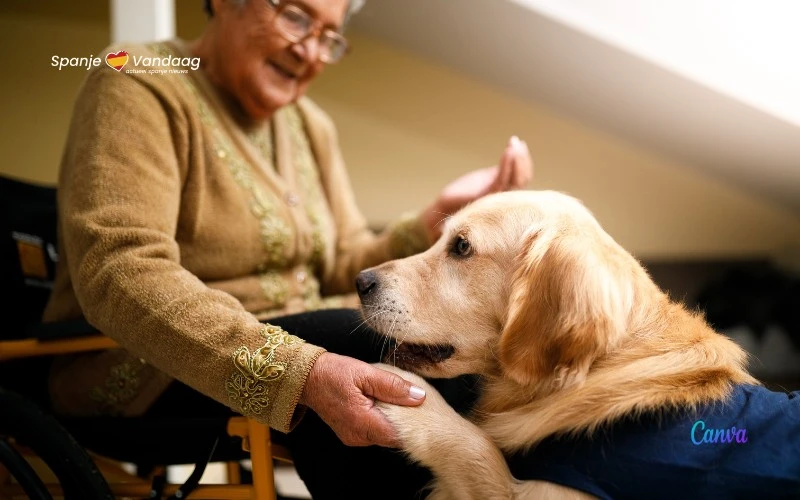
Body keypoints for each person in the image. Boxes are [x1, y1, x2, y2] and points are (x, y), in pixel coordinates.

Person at [43, 0, 532, 497]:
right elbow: (117, 271)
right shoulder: (137, 81)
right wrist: (300, 372)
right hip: (143, 372)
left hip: (301, 332)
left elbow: (347, 264)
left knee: (453, 356)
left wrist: (433, 218)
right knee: (375, 349)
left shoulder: (310, 126)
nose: (311, 53)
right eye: (296, 17)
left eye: (328, 37)